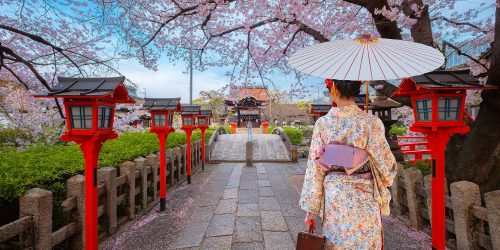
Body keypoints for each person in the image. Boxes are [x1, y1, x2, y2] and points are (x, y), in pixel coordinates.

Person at [299, 79, 397, 249]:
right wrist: (380, 178)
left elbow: (315, 169)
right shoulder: (371, 123)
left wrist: (311, 210)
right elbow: (387, 166)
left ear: (334, 89)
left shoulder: (323, 124)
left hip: (335, 198)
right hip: (364, 198)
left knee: (336, 244)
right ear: (357, 88)